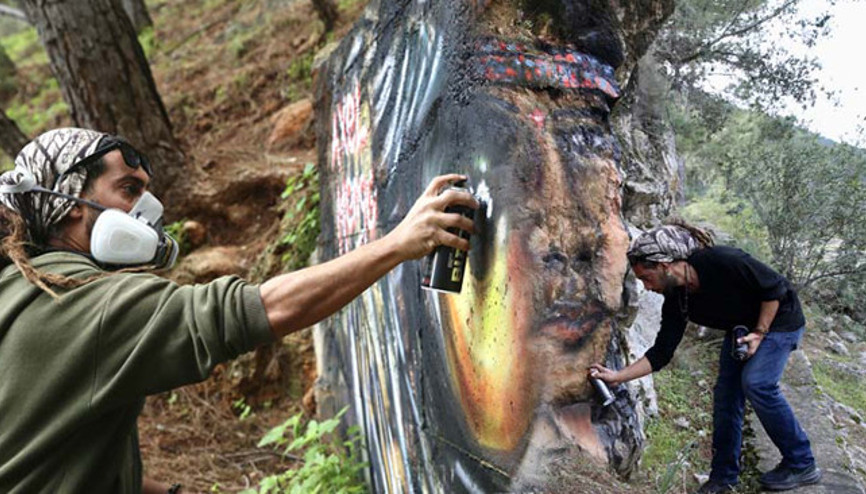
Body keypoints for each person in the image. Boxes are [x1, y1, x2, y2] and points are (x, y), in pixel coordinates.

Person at [0, 127, 478, 493]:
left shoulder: (18, 289)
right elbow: (256, 309)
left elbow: (50, 447)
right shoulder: (89, 306)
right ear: (66, 207)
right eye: (128, 190)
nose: (147, 211)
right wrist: (397, 244)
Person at [590, 222, 821, 493]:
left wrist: (760, 332)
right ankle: (723, 478)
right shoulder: (677, 299)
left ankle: (801, 462)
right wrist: (617, 376)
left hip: (779, 320)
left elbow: (775, 288)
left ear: (664, 265)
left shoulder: (720, 261)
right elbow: (662, 352)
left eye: (646, 278)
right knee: (726, 398)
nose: (645, 286)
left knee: (757, 383)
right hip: (742, 329)